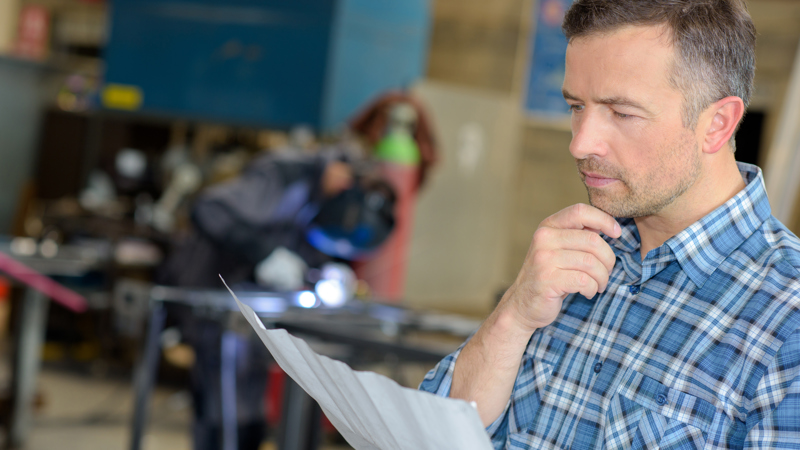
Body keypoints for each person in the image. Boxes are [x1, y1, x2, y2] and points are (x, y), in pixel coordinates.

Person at [420, 1, 800, 448]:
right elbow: (432, 434)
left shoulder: (785, 324)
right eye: (576, 106)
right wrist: (513, 316)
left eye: (621, 113)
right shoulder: (575, 253)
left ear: (716, 123)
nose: (580, 143)